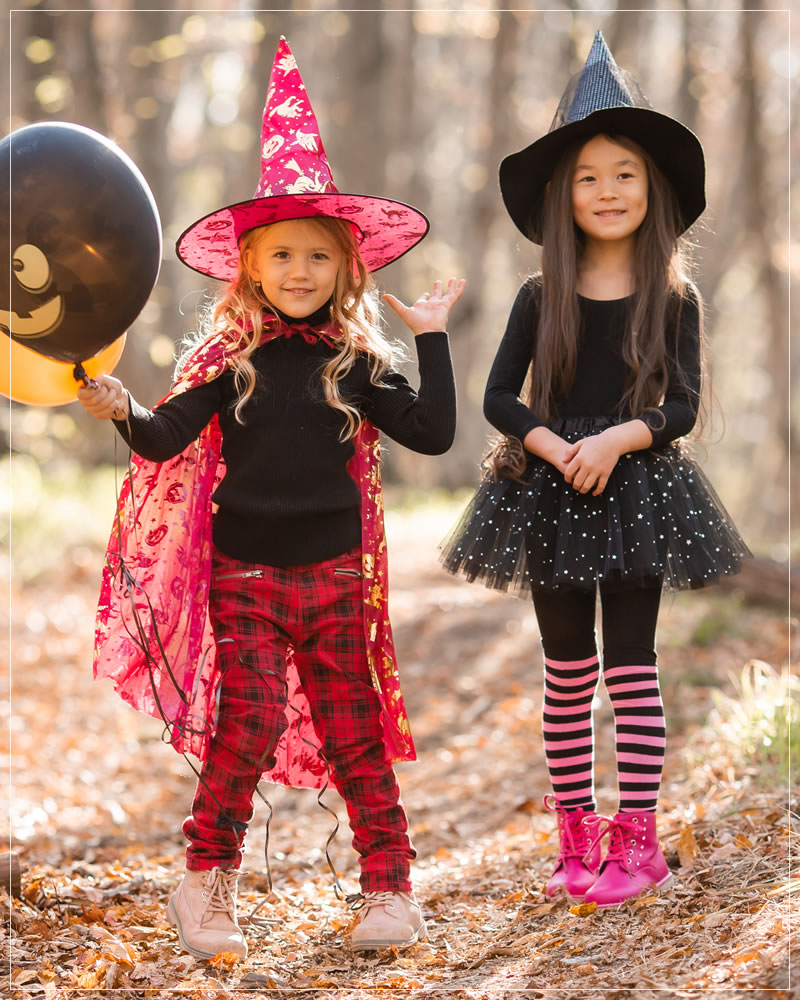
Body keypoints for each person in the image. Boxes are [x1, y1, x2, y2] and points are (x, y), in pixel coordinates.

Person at [79, 38, 464, 959]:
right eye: (281, 255)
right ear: (249, 267)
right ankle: (206, 884)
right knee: (244, 728)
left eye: (318, 258)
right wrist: (124, 408)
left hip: (337, 578)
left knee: (355, 736)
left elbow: (435, 435)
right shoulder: (229, 363)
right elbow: (167, 437)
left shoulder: (357, 364)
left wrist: (436, 339)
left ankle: (390, 890)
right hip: (244, 573)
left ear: (346, 271)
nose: (299, 271)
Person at [440, 31, 749, 908]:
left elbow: (683, 407)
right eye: (587, 176)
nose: (607, 190)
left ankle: (637, 839)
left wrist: (618, 440)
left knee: (633, 666)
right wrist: (551, 444)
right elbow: (501, 397)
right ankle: (575, 835)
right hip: (549, 491)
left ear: (650, 189)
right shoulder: (541, 297)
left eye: (624, 174)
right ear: (561, 196)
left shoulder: (674, 298)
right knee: (567, 669)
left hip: (640, 492)